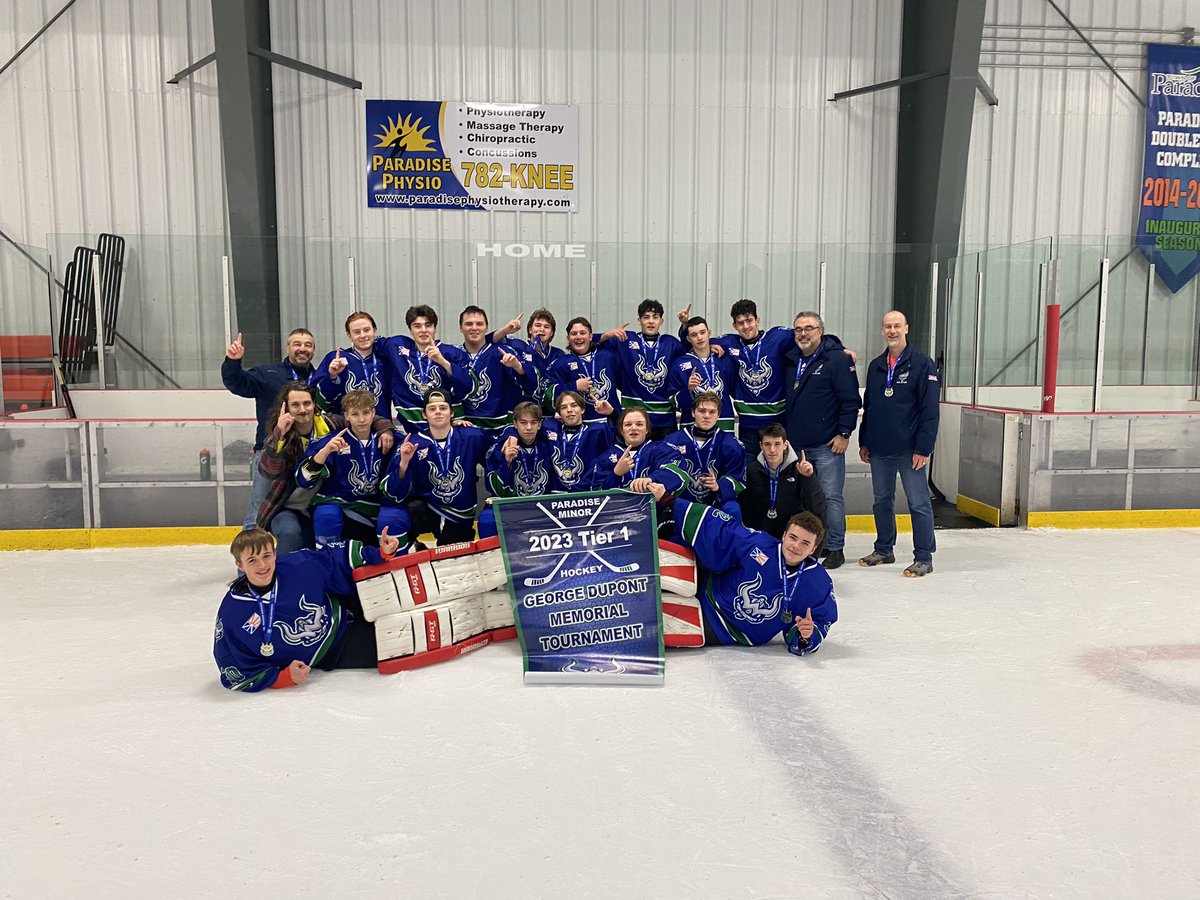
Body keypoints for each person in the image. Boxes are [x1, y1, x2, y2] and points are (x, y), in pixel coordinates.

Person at [650, 487, 837, 654]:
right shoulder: (760, 544)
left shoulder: (817, 582)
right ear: (784, 535)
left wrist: (805, 636)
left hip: (726, 629)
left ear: (813, 549)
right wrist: (669, 500)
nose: (796, 546)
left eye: (805, 543)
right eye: (793, 538)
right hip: (710, 594)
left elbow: (819, 620)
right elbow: (724, 530)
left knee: (653, 626)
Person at [213, 526, 400, 692]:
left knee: (400, 595)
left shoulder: (298, 565)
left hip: (345, 606)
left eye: (266, 556)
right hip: (333, 649)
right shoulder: (232, 612)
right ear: (239, 565)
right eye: (252, 560)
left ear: (275, 554)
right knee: (400, 641)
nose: (262, 565)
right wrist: (283, 678)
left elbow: (334, 559)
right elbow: (232, 664)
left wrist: (381, 552)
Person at [255, 382, 395, 553]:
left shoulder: (330, 423)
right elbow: (268, 472)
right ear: (287, 408)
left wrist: (385, 430)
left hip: (318, 503)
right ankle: (268, 576)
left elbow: (362, 414)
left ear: (314, 404)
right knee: (291, 535)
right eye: (295, 405)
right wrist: (279, 433)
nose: (302, 409)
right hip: (291, 506)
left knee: (322, 546)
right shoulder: (281, 433)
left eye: (306, 403)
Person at [857, 310, 940, 577]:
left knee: (918, 503)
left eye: (896, 326)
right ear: (882, 331)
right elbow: (869, 406)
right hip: (880, 448)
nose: (892, 331)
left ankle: (924, 557)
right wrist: (864, 440)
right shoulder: (876, 365)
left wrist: (923, 448)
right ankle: (884, 548)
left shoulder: (922, 364)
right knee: (881, 500)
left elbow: (929, 410)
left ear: (906, 328)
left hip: (909, 450)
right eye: (887, 326)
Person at [783, 311, 861, 570]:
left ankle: (835, 546)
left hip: (827, 445)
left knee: (830, 497)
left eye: (809, 328)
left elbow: (851, 400)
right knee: (803, 498)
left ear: (821, 331)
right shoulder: (792, 359)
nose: (803, 333)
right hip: (797, 446)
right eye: (798, 329)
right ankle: (811, 543)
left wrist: (845, 433)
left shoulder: (836, 360)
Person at [221, 328, 315, 529]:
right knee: (258, 511)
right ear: (287, 347)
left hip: (309, 455)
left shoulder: (319, 378)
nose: (302, 349)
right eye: (297, 344)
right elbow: (237, 383)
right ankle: (251, 555)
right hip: (272, 454)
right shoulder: (268, 374)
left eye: (308, 345)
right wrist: (232, 362)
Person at [379, 388, 489, 546]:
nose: (438, 412)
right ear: (424, 414)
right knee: (406, 511)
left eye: (443, 408)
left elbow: (496, 455)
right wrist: (403, 463)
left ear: (452, 413)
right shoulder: (414, 443)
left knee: (452, 557)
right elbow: (393, 493)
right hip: (428, 508)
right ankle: (412, 546)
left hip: (459, 513)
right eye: (432, 409)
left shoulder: (472, 436)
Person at [296, 389, 392, 548]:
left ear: (373, 413)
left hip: (374, 506)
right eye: (355, 414)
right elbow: (303, 480)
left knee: (398, 516)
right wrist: (325, 452)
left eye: (366, 413)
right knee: (326, 515)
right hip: (339, 503)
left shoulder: (389, 439)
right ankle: (329, 561)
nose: (361, 419)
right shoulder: (331, 441)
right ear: (346, 416)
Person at [705, 299, 796, 456]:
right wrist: (708, 346)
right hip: (748, 426)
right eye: (740, 323)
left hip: (777, 423)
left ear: (757, 320)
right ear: (735, 326)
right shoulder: (730, 342)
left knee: (778, 470)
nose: (746, 327)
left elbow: (809, 336)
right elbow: (696, 342)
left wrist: (838, 347)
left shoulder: (777, 337)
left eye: (749, 321)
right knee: (751, 472)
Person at [380, 305, 474, 432]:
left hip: (448, 427)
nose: (423, 330)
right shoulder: (397, 346)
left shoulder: (452, 353)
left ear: (435, 328)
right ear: (410, 330)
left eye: (428, 325)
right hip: (412, 429)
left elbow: (469, 388)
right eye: (417, 326)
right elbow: (366, 343)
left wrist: (443, 362)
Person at [602, 299, 684, 440]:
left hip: (664, 420)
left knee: (665, 458)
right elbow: (592, 344)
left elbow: (694, 350)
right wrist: (608, 335)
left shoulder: (671, 343)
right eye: (646, 317)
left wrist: (711, 346)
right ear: (639, 321)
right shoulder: (625, 339)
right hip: (633, 420)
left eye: (655, 317)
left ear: (661, 321)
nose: (650, 321)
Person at [478, 402, 562, 538]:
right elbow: (495, 488)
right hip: (510, 505)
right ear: (515, 424)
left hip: (540, 505)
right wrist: (507, 462)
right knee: (487, 520)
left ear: (539, 425)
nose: (528, 428)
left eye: (533, 422)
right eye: (523, 422)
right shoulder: (500, 448)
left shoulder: (548, 448)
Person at [458, 305, 538, 445]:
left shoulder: (502, 352)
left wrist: (517, 366)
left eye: (479, 324)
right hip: (468, 428)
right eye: (469, 324)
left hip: (500, 428)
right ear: (460, 328)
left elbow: (532, 385)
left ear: (487, 327)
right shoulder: (454, 355)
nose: (474, 327)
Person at [663, 391, 746, 519]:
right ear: (693, 412)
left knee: (733, 510)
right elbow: (665, 476)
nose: (706, 416)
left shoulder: (732, 445)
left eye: (712, 412)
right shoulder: (672, 442)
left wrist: (719, 486)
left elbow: (738, 478)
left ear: (718, 415)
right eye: (702, 411)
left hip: (716, 501)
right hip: (682, 503)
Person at [739, 422, 827, 539]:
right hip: (762, 532)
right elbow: (746, 509)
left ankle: (809, 558)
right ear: (760, 445)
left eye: (777, 444)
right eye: (767, 444)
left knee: (821, 522)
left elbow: (817, 508)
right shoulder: (751, 470)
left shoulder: (799, 469)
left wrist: (808, 478)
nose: (772, 449)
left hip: (792, 531)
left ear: (785, 445)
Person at [311, 311, 391, 418]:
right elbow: (319, 404)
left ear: (374, 331)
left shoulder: (386, 360)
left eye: (367, 330)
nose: (363, 335)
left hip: (381, 428)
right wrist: (332, 378)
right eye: (357, 332)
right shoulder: (336, 359)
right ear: (349, 336)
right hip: (346, 429)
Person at [550, 316, 623, 425]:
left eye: (582, 333)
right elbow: (548, 394)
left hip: (611, 423)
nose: (578, 337)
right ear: (568, 338)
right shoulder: (561, 363)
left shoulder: (608, 356)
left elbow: (625, 382)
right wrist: (574, 386)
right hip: (582, 427)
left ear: (590, 337)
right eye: (574, 334)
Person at [670, 316, 736, 432]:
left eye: (702, 332)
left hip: (723, 424)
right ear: (688, 339)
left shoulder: (724, 360)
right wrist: (688, 389)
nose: (699, 338)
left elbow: (734, 389)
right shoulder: (679, 364)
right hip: (692, 425)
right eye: (694, 335)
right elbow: (673, 401)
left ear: (709, 333)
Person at [491, 308, 565, 410]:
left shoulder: (558, 354)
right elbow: (490, 342)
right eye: (537, 325)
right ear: (530, 329)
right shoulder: (517, 345)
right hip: (520, 411)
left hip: (549, 412)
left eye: (546, 327)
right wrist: (505, 330)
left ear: (552, 332)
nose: (541, 329)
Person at [546, 390, 614, 492]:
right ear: (559, 413)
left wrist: (612, 413)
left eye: (574, 405)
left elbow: (623, 432)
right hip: (556, 497)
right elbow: (521, 427)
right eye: (564, 407)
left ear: (582, 409)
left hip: (586, 497)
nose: (569, 410)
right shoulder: (550, 429)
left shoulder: (597, 431)